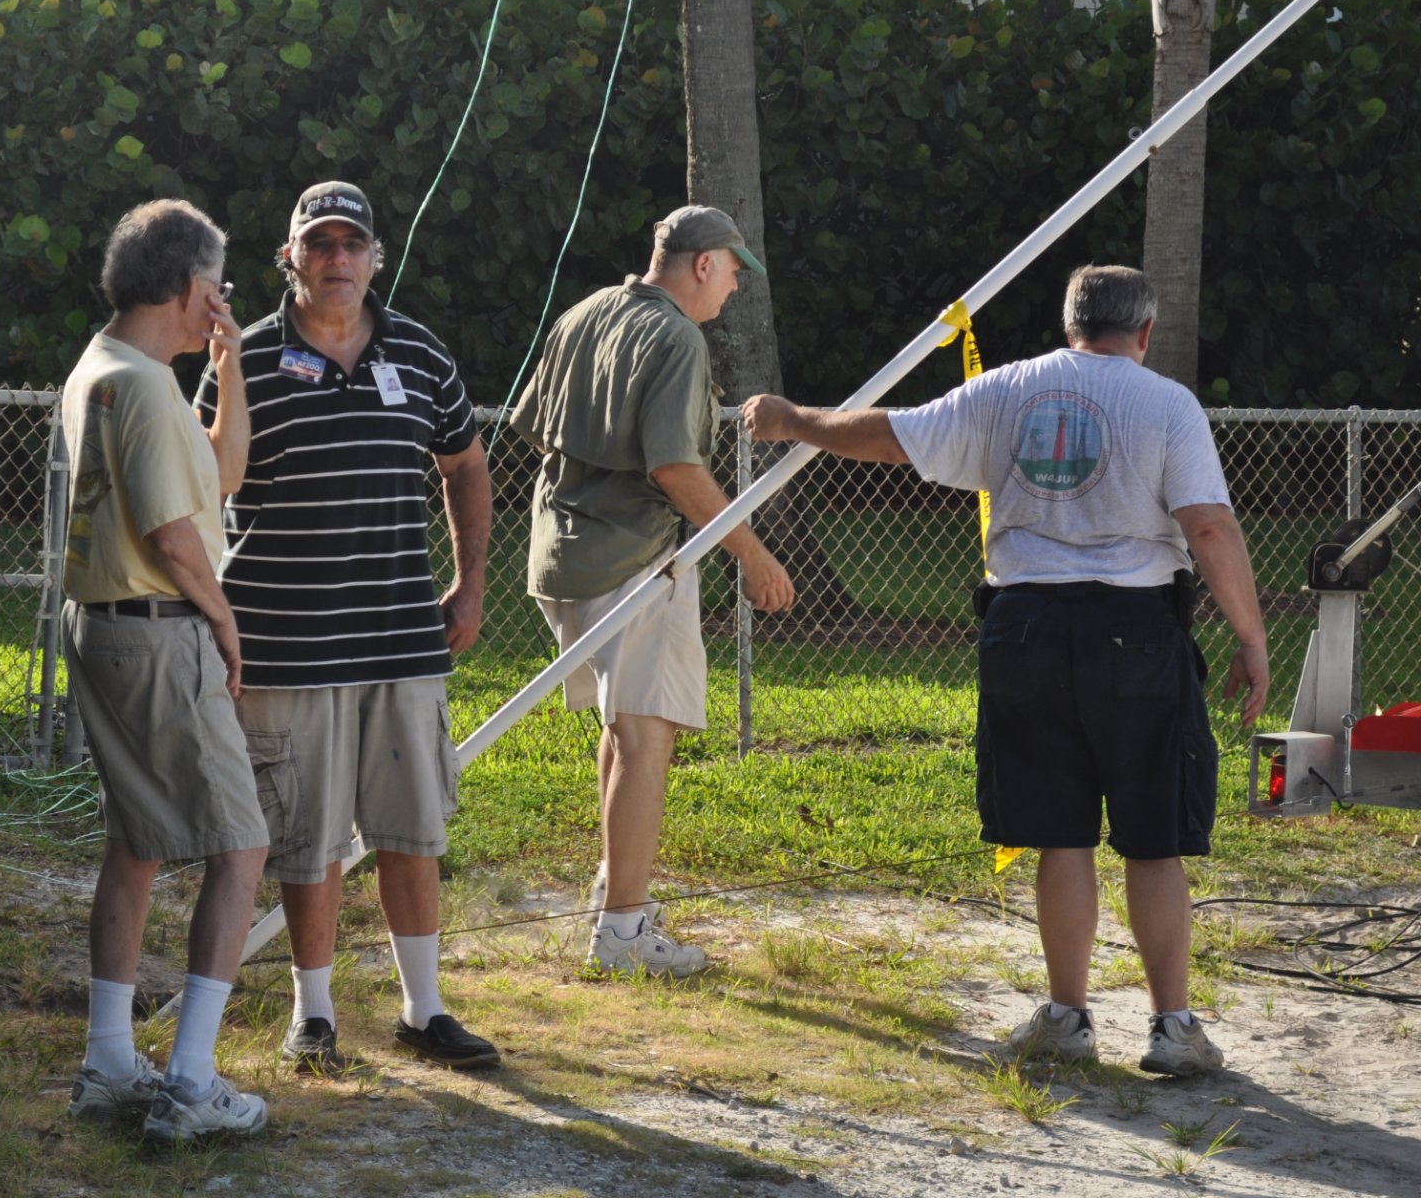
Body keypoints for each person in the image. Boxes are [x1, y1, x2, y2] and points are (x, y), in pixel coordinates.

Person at [743, 264, 1268, 1077]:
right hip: (1136, 633)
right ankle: (1172, 1028)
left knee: (1060, 833)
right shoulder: (1166, 404)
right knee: (1153, 837)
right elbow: (1208, 526)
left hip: (1026, 628)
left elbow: (891, 435)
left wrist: (792, 420)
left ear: (1070, 324)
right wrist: (1251, 637)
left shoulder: (1009, 388)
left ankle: (1067, 1017)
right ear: (1145, 331)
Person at [195, 181, 499, 1071]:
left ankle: (424, 1010)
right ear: (288, 258)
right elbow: (206, 483)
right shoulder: (243, 358)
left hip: (403, 638)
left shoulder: (421, 352)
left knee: (412, 830)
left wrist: (471, 584)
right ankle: (315, 1015)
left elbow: (466, 463)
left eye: (351, 244)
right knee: (309, 839)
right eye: (318, 244)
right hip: (287, 646)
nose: (337, 259)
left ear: (375, 258)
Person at [510, 205, 796, 979]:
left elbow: (534, 428)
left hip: (560, 557)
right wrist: (753, 555)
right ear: (703, 263)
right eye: (732, 271)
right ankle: (623, 935)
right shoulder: (676, 338)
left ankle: (618, 895)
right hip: (633, 562)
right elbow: (675, 467)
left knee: (624, 730)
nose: (734, 287)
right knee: (645, 738)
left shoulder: (585, 313)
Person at [61, 199, 270, 1142]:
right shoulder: (142, 388)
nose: (220, 302)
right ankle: (190, 1083)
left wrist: (229, 372)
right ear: (190, 286)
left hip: (105, 627)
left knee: (137, 843)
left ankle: (109, 1064)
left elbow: (220, 479)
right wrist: (223, 621)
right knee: (241, 848)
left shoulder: (112, 366)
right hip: (157, 632)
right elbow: (173, 535)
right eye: (215, 288)